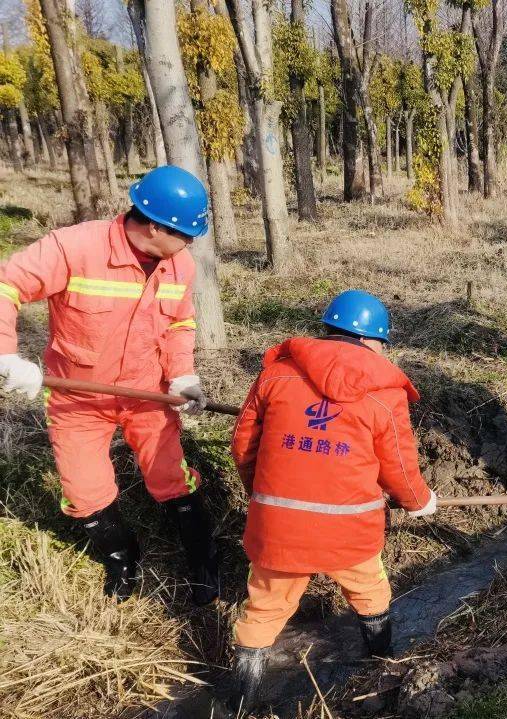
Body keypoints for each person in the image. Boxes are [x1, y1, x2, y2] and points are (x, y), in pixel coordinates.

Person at [0, 165, 217, 603]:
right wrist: (6, 355)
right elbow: (6, 284)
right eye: (185, 236)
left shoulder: (181, 265)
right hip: (77, 396)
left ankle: (203, 558)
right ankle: (122, 560)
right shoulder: (73, 247)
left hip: (148, 393)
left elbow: (181, 323)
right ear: (155, 226)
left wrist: (183, 375)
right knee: (84, 494)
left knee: (171, 479)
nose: (190, 246)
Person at [228, 290, 437, 712]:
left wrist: (264, 495)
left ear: (329, 329)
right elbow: (397, 463)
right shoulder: (384, 390)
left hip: (278, 527)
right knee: (370, 592)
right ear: (373, 340)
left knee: (265, 606)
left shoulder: (275, 375)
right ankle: (379, 662)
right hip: (350, 529)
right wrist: (419, 501)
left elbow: (244, 446)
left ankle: (237, 698)